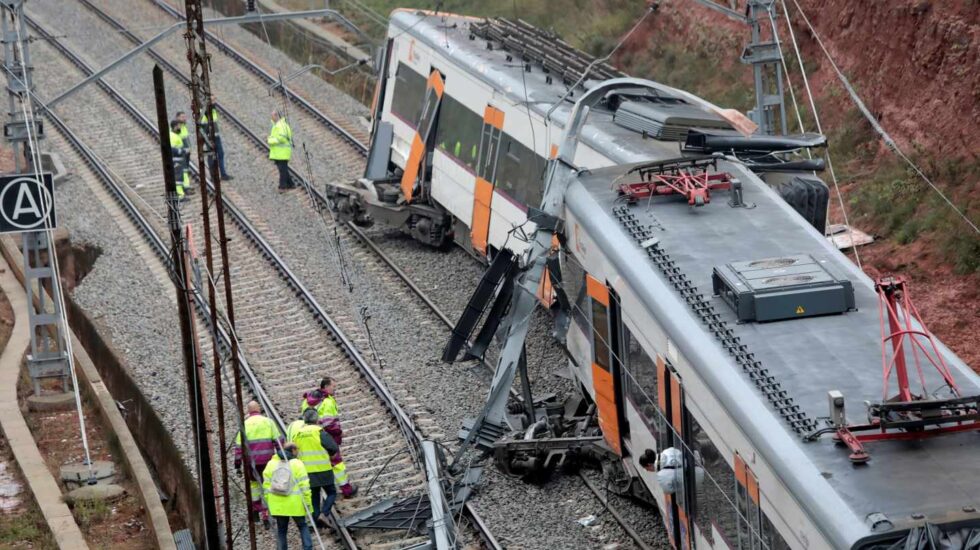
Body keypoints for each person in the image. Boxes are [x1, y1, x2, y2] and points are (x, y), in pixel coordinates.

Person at [301, 378, 357, 498]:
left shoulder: (307, 401)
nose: (334, 389)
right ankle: (346, 489)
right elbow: (329, 424)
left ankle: (321, 492)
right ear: (325, 387)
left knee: (317, 464)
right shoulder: (327, 402)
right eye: (333, 386)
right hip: (326, 437)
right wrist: (339, 433)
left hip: (310, 437)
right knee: (337, 463)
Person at [288, 408, 339, 527]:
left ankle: (318, 523)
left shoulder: (298, 434)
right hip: (324, 469)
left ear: (304, 420)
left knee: (314, 498)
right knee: (331, 493)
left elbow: (293, 453)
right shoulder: (319, 431)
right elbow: (333, 448)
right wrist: (330, 455)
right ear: (317, 419)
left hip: (308, 472)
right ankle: (324, 514)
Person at [234, 401, 282, 525]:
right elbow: (279, 441)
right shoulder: (268, 422)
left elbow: (239, 447)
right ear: (259, 409)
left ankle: (256, 511)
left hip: (252, 463)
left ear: (248, 411)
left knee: (254, 486)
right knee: (267, 485)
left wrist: (237, 463)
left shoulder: (244, 424)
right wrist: (282, 457)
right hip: (268, 461)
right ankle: (267, 515)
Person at [263, 442, 313, 550]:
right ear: (293, 450)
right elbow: (305, 486)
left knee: (281, 530)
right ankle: (308, 548)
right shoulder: (297, 464)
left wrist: (269, 504)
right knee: (303, 526)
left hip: (278, 504)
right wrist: (308, 504)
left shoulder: (271, 464)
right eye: (297, 450)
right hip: (296, 504)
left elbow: (266, 487)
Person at [198, 96, 233, 180]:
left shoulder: (213, 109)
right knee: (211, 155)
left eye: (215, 99)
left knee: (220, 154)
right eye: (213, 100)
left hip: (216, 136)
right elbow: (202, 125)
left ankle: (223, 174)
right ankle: (213, 176)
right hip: (210, 138)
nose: (215, 101)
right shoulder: (204, 111)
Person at [267, 109, 294, 191]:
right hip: (280, 152)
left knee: (282, 170)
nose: (271, 117)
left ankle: (283, 186)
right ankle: (290, 184)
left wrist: (270, 140)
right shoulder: (279, 125)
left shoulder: (280, 126)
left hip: (282, 152)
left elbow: (281, 138)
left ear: (276, 116)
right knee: (283, 169)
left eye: (272, 116)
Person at [169, 120, 190, 200]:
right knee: (178, 178)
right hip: (176, 160)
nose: (180, 127)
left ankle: (181, 194)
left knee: (180, 177)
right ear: (175, 127)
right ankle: (180, 196)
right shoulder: (172, 136)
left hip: (179, 159)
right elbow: (172, 149)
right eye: (178, 126)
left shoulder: (175, 135)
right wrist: (183, 151)